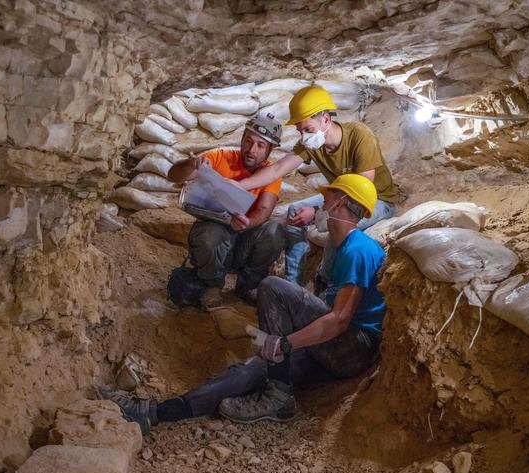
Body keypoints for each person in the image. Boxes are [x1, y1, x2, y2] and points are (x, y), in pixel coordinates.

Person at [97, 174, 386, 430]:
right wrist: (279, 347)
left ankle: (276, 391)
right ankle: (154, 412)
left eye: (329, 197)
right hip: (335, 348)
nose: (323, 202)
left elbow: (339, 321)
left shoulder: (359, 249)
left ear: (343, 203)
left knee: (273, 286)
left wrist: (284, 343)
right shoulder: (341, 248)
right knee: (252, 368)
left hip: (353, 346)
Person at [239, 85, 397, 287]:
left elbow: (359, 193)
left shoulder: (359, 135)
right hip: (339, 198)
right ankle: (293, 283)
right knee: (294, 211)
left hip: (376, 201)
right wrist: (240, 185)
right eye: (300, 131)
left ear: (325, 119)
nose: (304, 136)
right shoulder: (312, 144)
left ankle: (325, 282)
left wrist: (316, 212)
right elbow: (278, 169)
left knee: (336, 222)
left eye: (308, 129)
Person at [167, 113, 286, 307]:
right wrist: (189, 165)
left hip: (243, 241)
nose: (251, 150)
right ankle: (212, 286)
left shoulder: (271, 173)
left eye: (260, 145)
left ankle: (247, 286)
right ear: (241, 139)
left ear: (270, 150)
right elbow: (173, 175)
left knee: (273, 231)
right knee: (210, 234)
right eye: (248, 141)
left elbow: (265, 209)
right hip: (214, 237)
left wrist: (249, 222)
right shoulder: (220, 158)